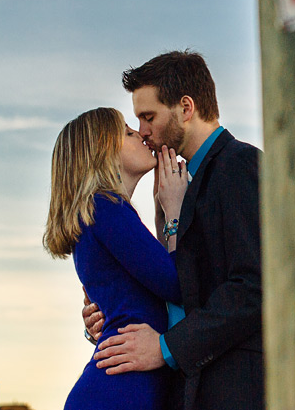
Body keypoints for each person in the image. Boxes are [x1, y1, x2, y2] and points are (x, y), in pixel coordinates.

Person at [83, 50, 264, 410]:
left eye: (148, 117)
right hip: (185, 391)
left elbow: (254, 286)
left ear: (185, 108)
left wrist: (165, 347)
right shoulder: (170, 185)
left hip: (233, 389)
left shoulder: (238, 164)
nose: (142, 131)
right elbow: (180, 290)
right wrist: (113, 308)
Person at [44, 107, 189, 410]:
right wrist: (174, 212)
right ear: (101, 152)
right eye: (126, 132)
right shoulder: (106, 207)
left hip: (120, 387)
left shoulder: (98, 213)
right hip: (120, 391)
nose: (140, 134)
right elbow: (178, 284)